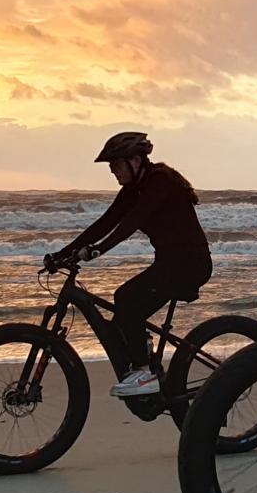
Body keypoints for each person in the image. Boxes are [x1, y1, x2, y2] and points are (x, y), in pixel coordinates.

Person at [49, 132, 212, 397]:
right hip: (169, 263)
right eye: (111, 167)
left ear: (136, 161)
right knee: (124, 319)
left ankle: (144, 372)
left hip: (190, 265)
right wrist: (61, 254)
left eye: (116, 165)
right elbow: (104, 223)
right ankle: (145, 357)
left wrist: (99, 250)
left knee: (126, 298)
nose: (113, 171)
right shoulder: (132, 190)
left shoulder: (160, 181)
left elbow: (133, 221)